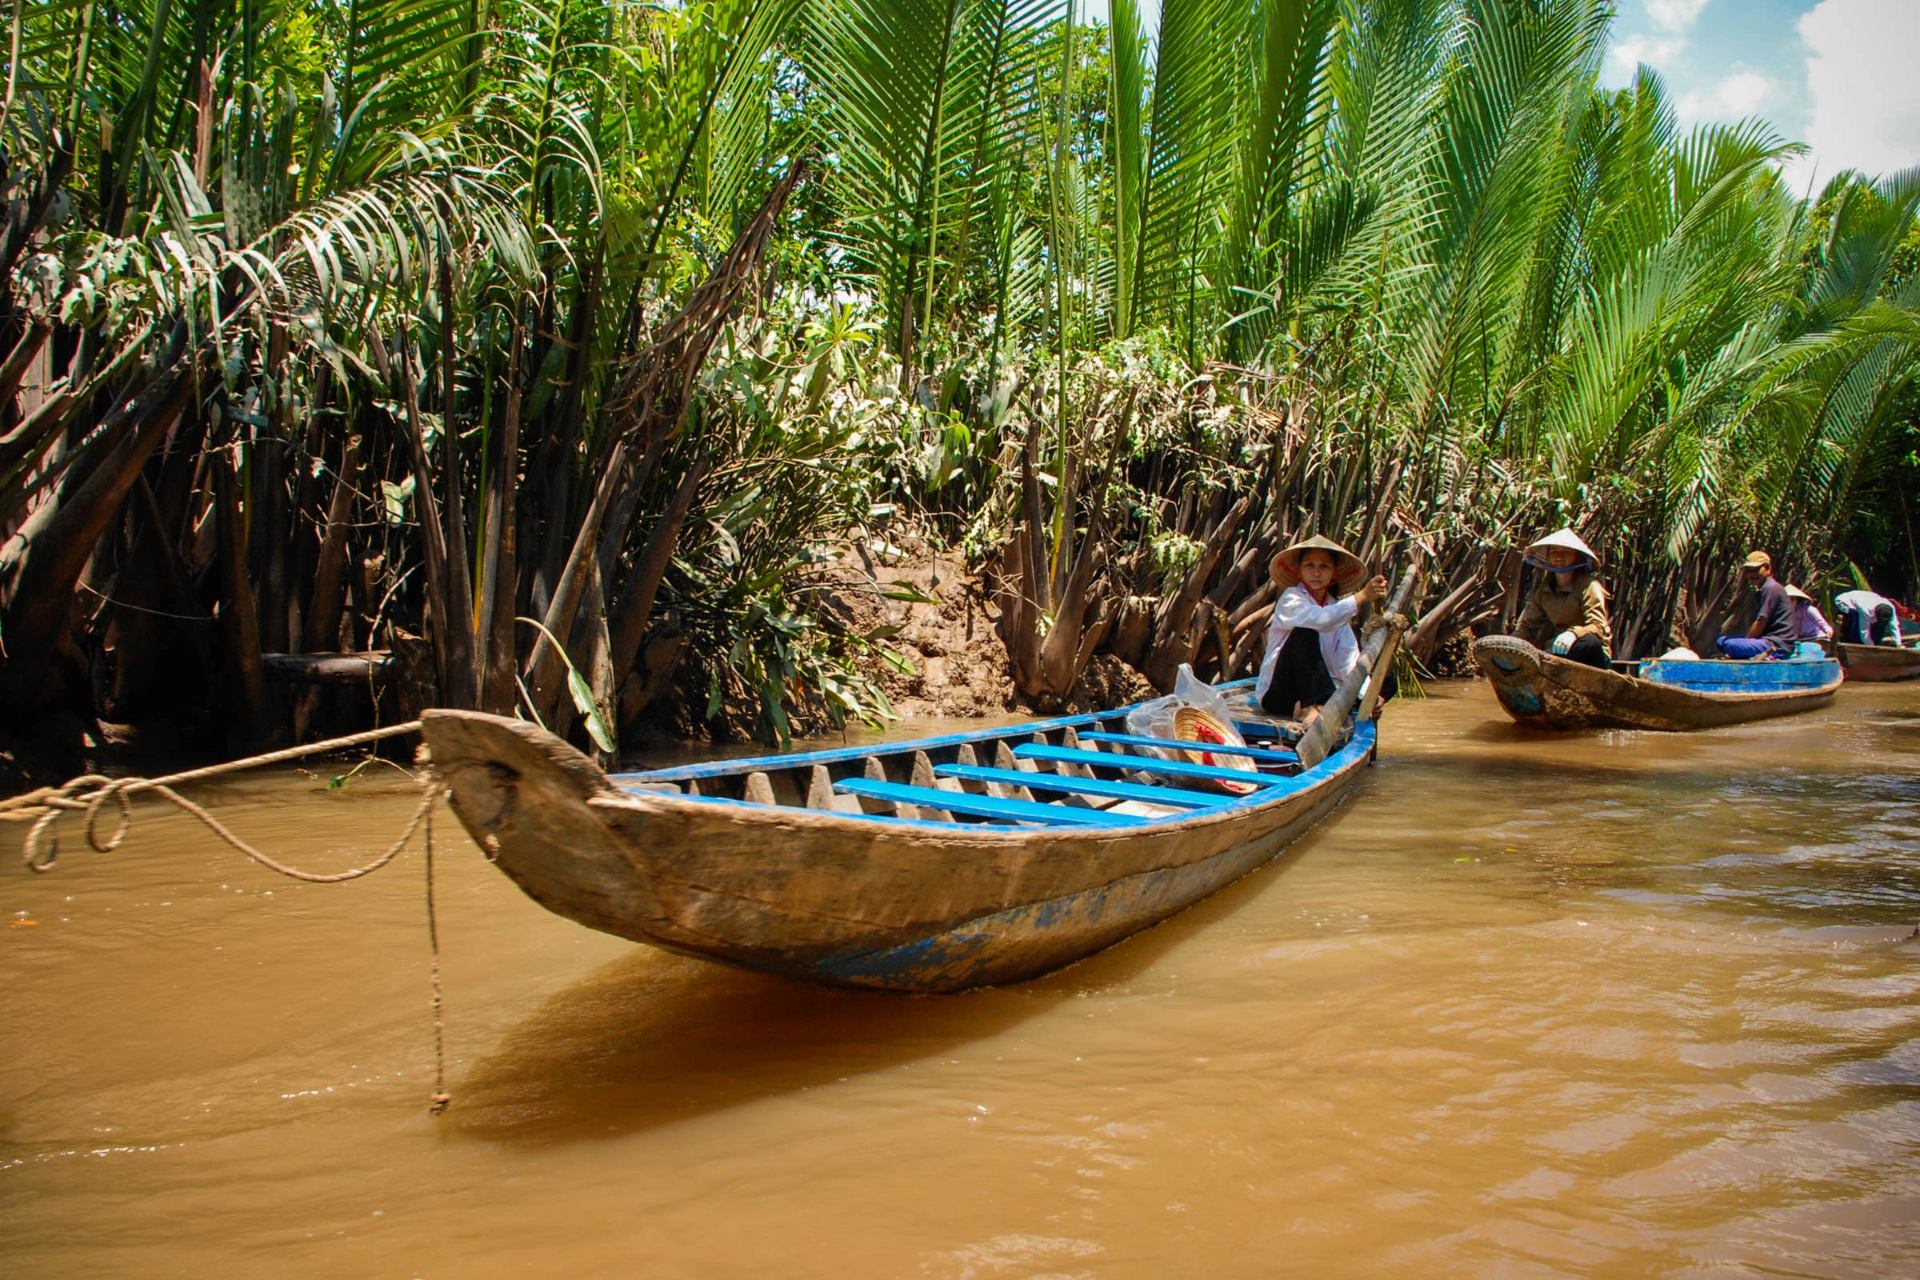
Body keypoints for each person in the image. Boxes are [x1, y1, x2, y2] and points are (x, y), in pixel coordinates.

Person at [1255, 535, 1389, 725]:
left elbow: (1348, 660)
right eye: (1309, 565)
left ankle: (1316, 706)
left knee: (1388, 683)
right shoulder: (1291, 598)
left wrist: (1369, 695)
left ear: (1333, 573)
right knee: (1305, 632)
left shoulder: (1335, 609)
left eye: (1324, 566)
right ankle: (1311, 707)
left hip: (1317, 689)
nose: (1316, 572)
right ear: (1300, 571)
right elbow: (1320, 620)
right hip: (1280, 693)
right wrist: (1362, 596)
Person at [1514, 528, 1612, 668]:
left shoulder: (1589, 586)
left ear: (1577, 557)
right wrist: (1511, 641)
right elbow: (1529, 627)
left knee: (1590, 642)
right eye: (1554, 552)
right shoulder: (1545, 589)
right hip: (1560, 649)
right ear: (1548, 556)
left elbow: (1598, 626)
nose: (1559, 557)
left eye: (1566, 552)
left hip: (1590, 652)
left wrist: (1574, 634)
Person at [1718, 551, 1796, 659]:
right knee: (1722, 641)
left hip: (1776, 645)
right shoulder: (1765, 589)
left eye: (1756, 570)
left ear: (1767, 569)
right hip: (1767, 641)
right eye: (1748, 571)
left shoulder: (1770, 588)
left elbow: (1761, 621)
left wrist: (1746, 642)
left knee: (1729, 644)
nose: (1752, 574)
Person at [1834, 588, 1905, 646]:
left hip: (1863, 601)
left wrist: (1898, 644)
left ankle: (1876, 643)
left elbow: (1895, 627)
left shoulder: (1890, 608)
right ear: (1875, 614)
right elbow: (1864, 632)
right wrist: (1871, 647)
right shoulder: (1866, 609)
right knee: (1855, 619)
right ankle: (1854, 644)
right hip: (1845, 602)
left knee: (1879, 628)